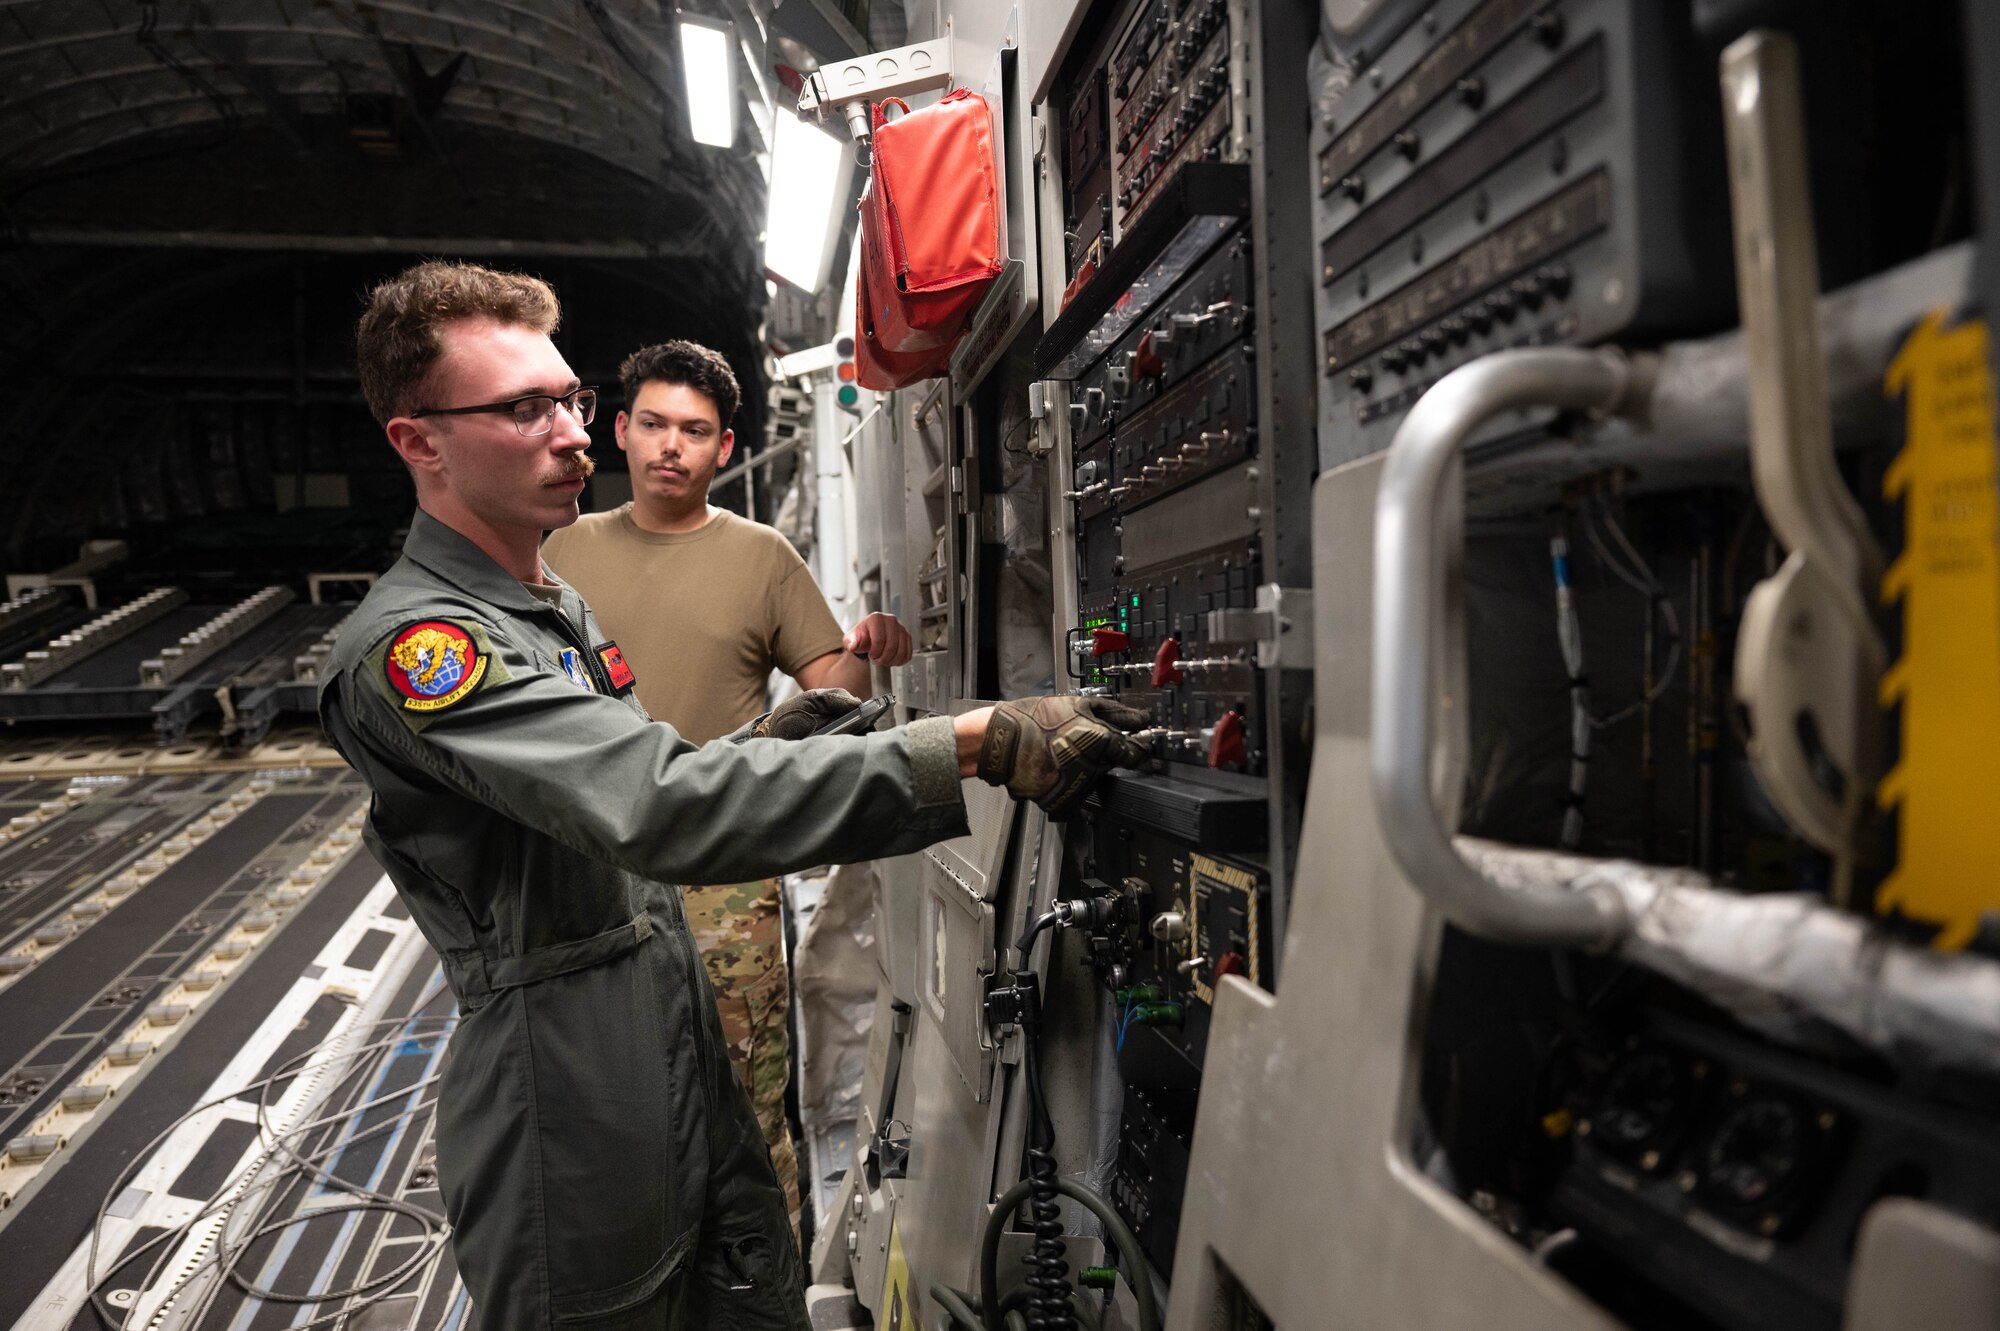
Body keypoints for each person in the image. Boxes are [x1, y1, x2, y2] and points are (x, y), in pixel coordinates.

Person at [316, 259, 1149, 1331]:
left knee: (744, 1283)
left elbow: (623, 779)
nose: (573, 432)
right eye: (523, 408)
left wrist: (769, 738)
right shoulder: (420, 647)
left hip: (668, 1015)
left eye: (568, 398)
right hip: (571, 1080)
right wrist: (972, 743)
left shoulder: (545, 600)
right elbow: (655, 804)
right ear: (417, 440)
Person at [541, 340, 900, 1239]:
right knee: (609, 1102)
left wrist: (868, 646)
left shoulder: (762, 557)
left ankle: (756, 1291)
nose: (671, 446)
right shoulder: (556, 553)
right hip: (587, 869)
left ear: (725, 448)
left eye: (694, 431)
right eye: (654, 424)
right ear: (618, 431)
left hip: (726, 876)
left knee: (746, 1095)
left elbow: (833, 689)